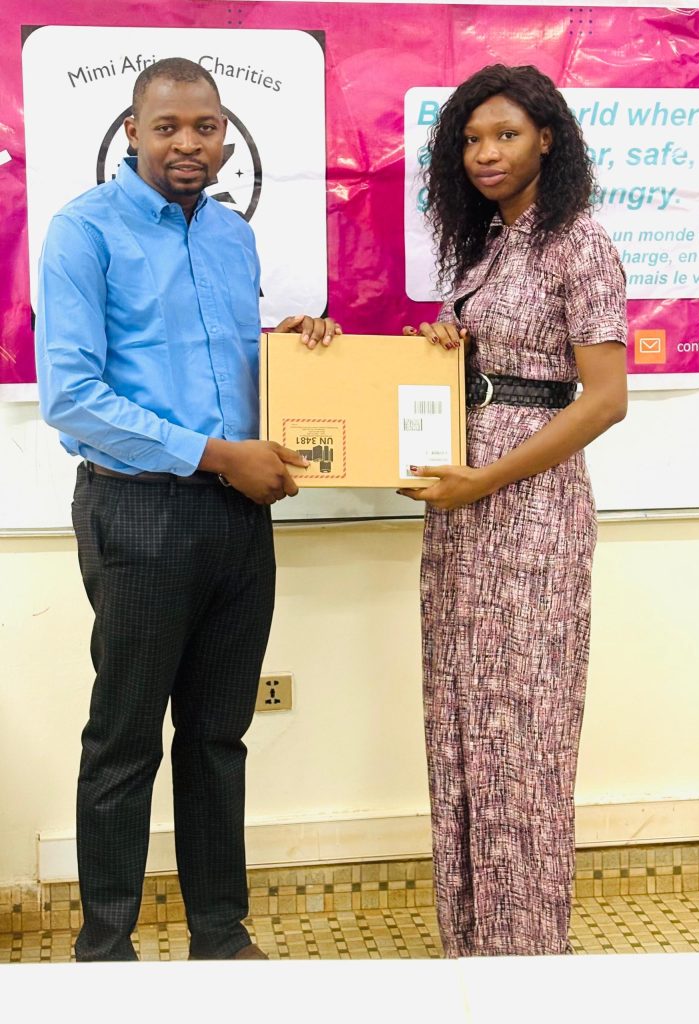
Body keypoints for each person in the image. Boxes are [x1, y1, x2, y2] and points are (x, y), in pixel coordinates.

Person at [35, 57, 339, 962]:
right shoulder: (82, 232)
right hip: (138, 513)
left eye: (204, 128)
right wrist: (216, 454)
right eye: (167, 127)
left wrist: (294, 350)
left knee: (218, 736)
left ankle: (219, 933)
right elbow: (73, 398)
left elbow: (215, 361)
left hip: (237, 518)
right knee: (125, 739)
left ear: (224, 137)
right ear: (131, 132)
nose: (187, 144)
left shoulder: (229, 236)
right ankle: (105, 948)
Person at [399, 64, 628, 957]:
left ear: (546, 141)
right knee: (461, 720)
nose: (485, 153)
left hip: (528, 513)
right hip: (462, 508)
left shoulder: (579, 241)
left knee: (521, 736)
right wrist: (449, 345)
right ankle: (472, 949)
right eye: (470, 139)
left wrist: (483, 480)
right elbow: (494, 372)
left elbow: (602, 399)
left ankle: (525, 960)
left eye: (504, 135)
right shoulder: (486, 246)